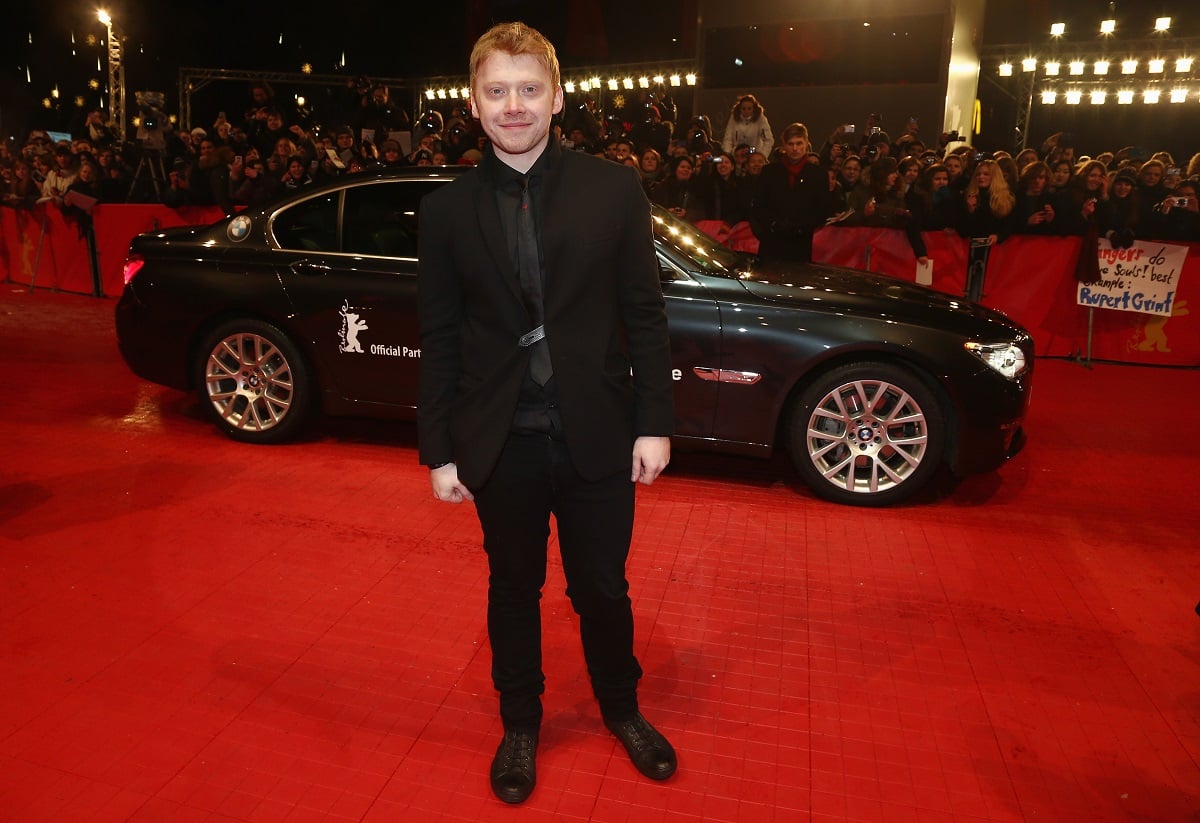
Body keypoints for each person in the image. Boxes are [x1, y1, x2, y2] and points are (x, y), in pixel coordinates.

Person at [417, 21, 677, 806]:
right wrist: (439, 451)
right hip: (503, 439)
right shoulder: (446, 211)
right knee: (513, 586)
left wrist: (654, 420)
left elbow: (646, 310)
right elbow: (439, 337)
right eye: (496, 91)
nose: (514, 105)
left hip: (598, 428)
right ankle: (520, 722)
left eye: (529, 89)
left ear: (558, 97)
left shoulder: (612, 188)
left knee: (602, 585)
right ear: (474, 103)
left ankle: (622, 706)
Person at [749, 121, 831, 263]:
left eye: (799, 143)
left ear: (806, 144)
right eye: (791, 144)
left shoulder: (818, 174)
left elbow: (822, 209)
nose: (795, 148)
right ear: (784, 146)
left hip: (801, 244)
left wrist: (800, 227)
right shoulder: (769, 172)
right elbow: (758, 205)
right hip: (772, 242)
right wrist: (774, 224)